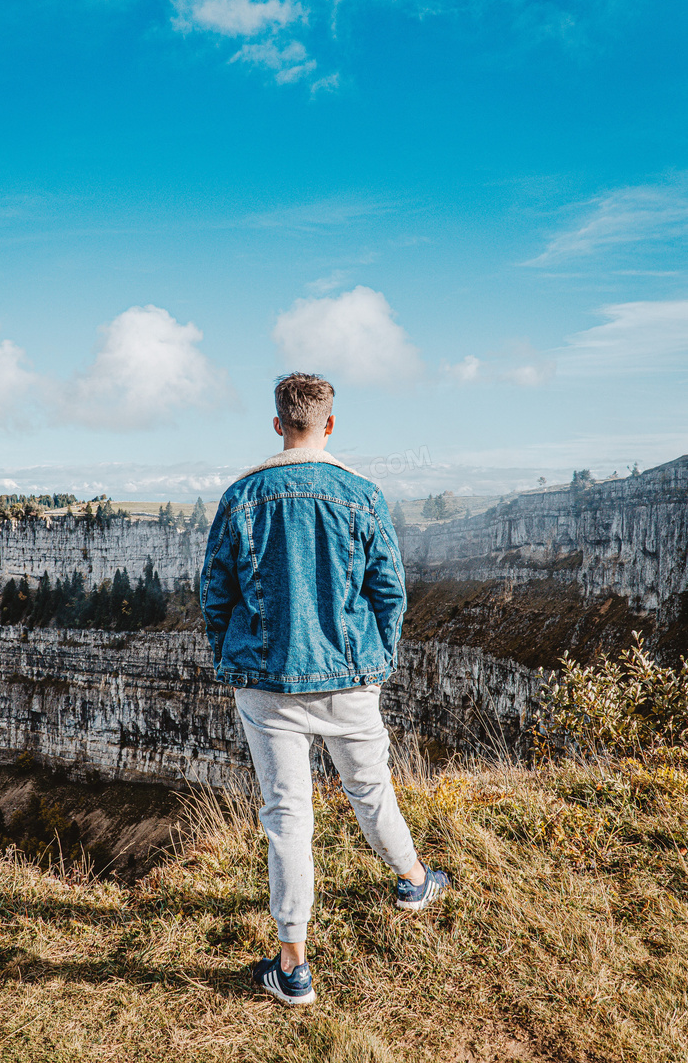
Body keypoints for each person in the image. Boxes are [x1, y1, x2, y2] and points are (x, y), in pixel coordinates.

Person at [200, 372, 449, 1006]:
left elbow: (215, 595)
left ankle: (294, 966)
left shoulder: (242, 496)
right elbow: (388, 590)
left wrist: (235, 658)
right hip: (349, 678)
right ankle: (414, 882)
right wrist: (376, 659)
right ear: (330, 424)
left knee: (288, 816)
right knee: (370, 789)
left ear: (278, 423)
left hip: (267, 682)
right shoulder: (363, 496)